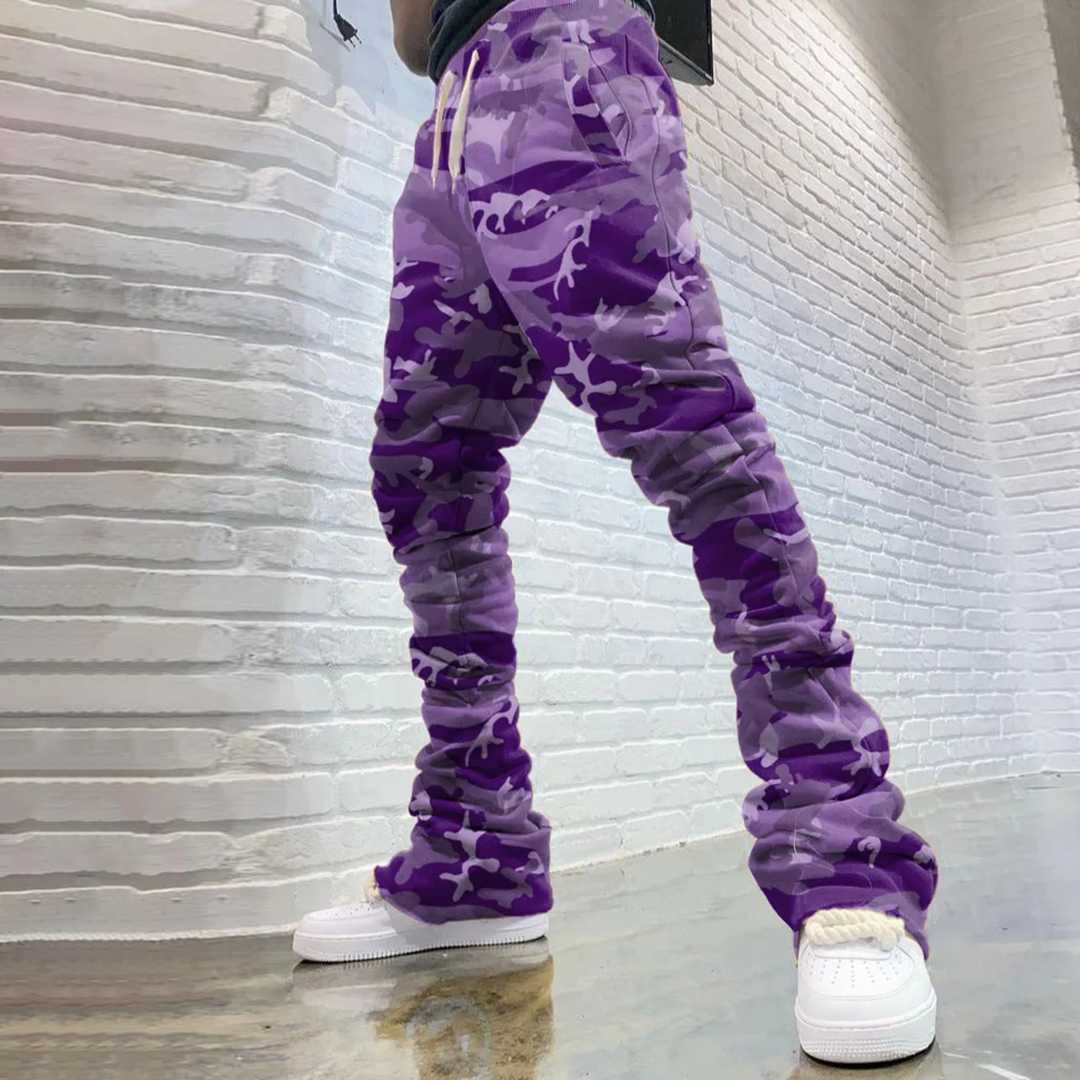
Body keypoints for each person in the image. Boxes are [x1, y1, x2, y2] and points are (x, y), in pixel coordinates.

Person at [293, 0, 940, 1065]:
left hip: (565, 48)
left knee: (686, 428)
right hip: (450, 103)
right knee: (424, 472)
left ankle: (847, 867)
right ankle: (475, 857)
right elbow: (411, 35)